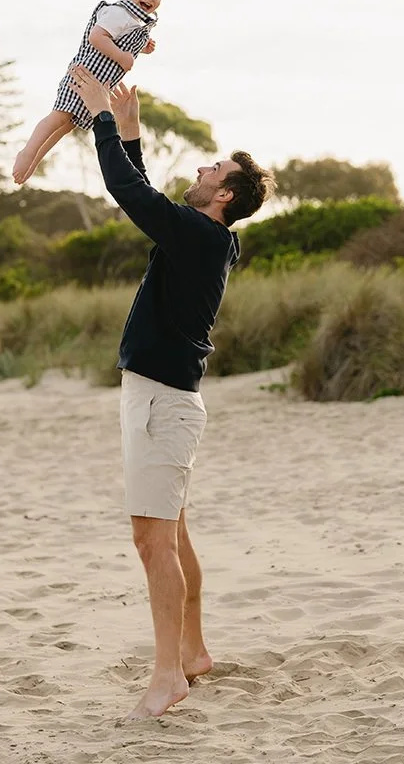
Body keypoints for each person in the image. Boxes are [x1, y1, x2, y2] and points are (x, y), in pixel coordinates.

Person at [67, 65, 274, 719]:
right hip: (162, 398)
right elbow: (146, 191)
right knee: (173, 536)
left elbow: (131, 195)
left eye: (214, 167)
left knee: (153, 541)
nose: (204, 167)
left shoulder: (200, 235)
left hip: (162, 401)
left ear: (225, 194)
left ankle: (168, 676)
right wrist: (129, 132)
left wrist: (102, 116)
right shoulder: (206, 237)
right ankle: (192, 653)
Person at [12, 0, 165, 184]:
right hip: (83, 77)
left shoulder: (135, 22)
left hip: (95, 89)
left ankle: (34, 161)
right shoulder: (119, 13)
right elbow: (97, 37)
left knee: (66, 127)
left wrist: (142, 48)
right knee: (58, 118)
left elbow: (120, 42)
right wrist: (123, 57)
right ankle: (28, 151)